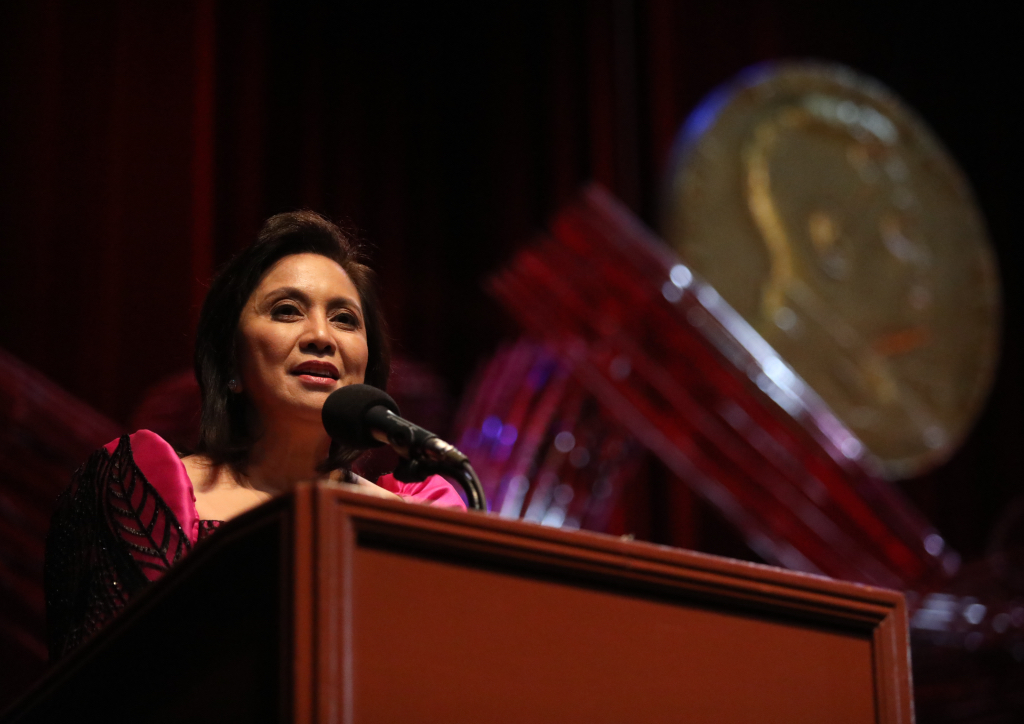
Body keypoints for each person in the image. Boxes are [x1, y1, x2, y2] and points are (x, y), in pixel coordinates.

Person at [44, 210, 465, 660]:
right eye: (287, 311)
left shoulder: (417, 518)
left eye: (344, 319)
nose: (322, 336)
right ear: (231, 365)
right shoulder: (141, 490)